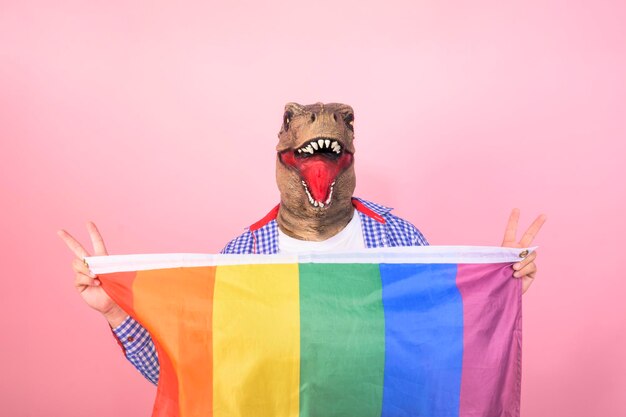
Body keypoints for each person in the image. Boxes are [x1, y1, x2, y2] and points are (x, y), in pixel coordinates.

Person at [59, 102, 545, 385]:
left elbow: (435, 356)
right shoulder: (241, 259)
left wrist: (496, 296)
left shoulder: (401, 241)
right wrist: (114, 310)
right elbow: (189, 375)